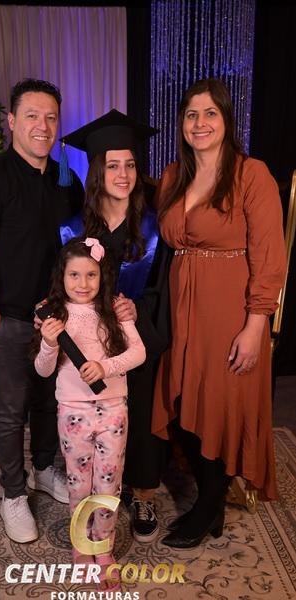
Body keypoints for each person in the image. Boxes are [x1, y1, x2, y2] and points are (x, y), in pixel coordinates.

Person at [152, 78, 286, 548]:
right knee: (183, 399)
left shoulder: (251, 174)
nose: (200, 123)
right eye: (191, 114)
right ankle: (208, 501)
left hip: (230, 310)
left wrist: (256, 323)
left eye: (210, 113)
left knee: (220, 403)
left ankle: (209, 504)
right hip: (180, 307)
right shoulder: (173, 176)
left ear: (227, 120)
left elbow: (270, 255)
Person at [0, 78, 84, 543]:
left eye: (51, 117)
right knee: (11, 411)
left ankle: (44, 469)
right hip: (8, 319)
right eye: (31, 115)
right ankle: (13, 493)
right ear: (12, 121)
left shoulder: (66, 181)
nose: (42, 125)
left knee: (49, 400)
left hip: (55, 319)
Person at [60, 109, 172, 542]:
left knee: (139, 413)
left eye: (130, 165)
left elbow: (162, 287)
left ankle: (142, 492)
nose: (123, 175)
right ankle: (93, 488)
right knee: (91, 414)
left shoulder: (154, 226)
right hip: (87, 342)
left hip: (134, 339)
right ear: (97, 171)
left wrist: (136, 311)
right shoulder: (74, 227)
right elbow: (65, 282)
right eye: (112, 165)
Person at [33, 237, 146, 588]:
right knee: (79, 483)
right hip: (73, 412)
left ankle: (103, 547)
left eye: (91, 275)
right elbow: (42, 370)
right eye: (74, 275)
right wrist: (49, 343)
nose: (83, 284)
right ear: (62, 277)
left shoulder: (113, 309)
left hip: (113, 410)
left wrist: (105, 367)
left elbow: (138, 352)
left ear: (102, 276)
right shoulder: (54, 316)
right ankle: (82, 546)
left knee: (108, 482)